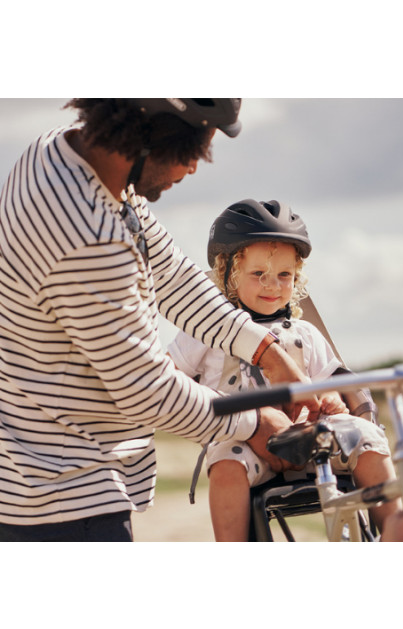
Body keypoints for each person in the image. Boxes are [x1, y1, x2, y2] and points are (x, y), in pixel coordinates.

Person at [0, 99, 320, 542]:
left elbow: (173, 276)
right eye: (192, 149)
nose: (192, 168)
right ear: (152, 128)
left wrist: (266, 352)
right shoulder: (88, 236)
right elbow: (145, 388)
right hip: (65, 497)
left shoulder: (62, 156)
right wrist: (255, 422)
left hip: (49, 483)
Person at [168, 198, 402, 541]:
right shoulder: (206, 331)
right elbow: (171, 374)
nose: (272, 285)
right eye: (258, 274)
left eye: (284, 275)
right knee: (225, 467)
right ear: (227, 273)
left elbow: (332, 379)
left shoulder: (305, 332)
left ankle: (398, 535)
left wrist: (334, 399)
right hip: (244, 442)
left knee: (367, 439)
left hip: (314, 438)